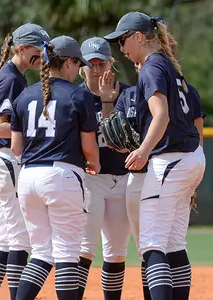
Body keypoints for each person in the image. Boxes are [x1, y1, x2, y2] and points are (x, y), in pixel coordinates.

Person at [105, 11, 206, 300]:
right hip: (190, 158)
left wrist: (142, 150)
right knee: (174, 244)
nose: (121, 48)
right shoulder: (171, 68)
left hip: (169, 161)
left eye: (123, 40)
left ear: (138, 37)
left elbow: (160, 116)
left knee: (152, 245)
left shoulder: (151, 67)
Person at [10, 35, 100, 300]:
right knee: (67, 253)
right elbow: (88, 147)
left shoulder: (25, 95)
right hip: (61, 177)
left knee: (40, 252)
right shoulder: (78, 94)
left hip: (28, 178)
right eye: (78, 63)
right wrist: (94, 164)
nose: (78, 69)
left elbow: (16, 148)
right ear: (70, 62)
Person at [0, 23, 50, 300]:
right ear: (21, 48)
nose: (43, 55)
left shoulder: (15, 76)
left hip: (4, 161)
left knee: (9, 241)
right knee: (19, 241)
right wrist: (32, 129)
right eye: (38, 49)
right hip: (6, 160)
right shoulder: (11, 79)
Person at [76, 37, 132, 300]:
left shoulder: (130, 94)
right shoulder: (74, 97)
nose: (97, 69)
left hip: (124, 179)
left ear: (112, 63)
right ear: (80, 67)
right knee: (84, 248)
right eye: (91, 63)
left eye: (102, 63)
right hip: (90, 180)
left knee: (117, 251)